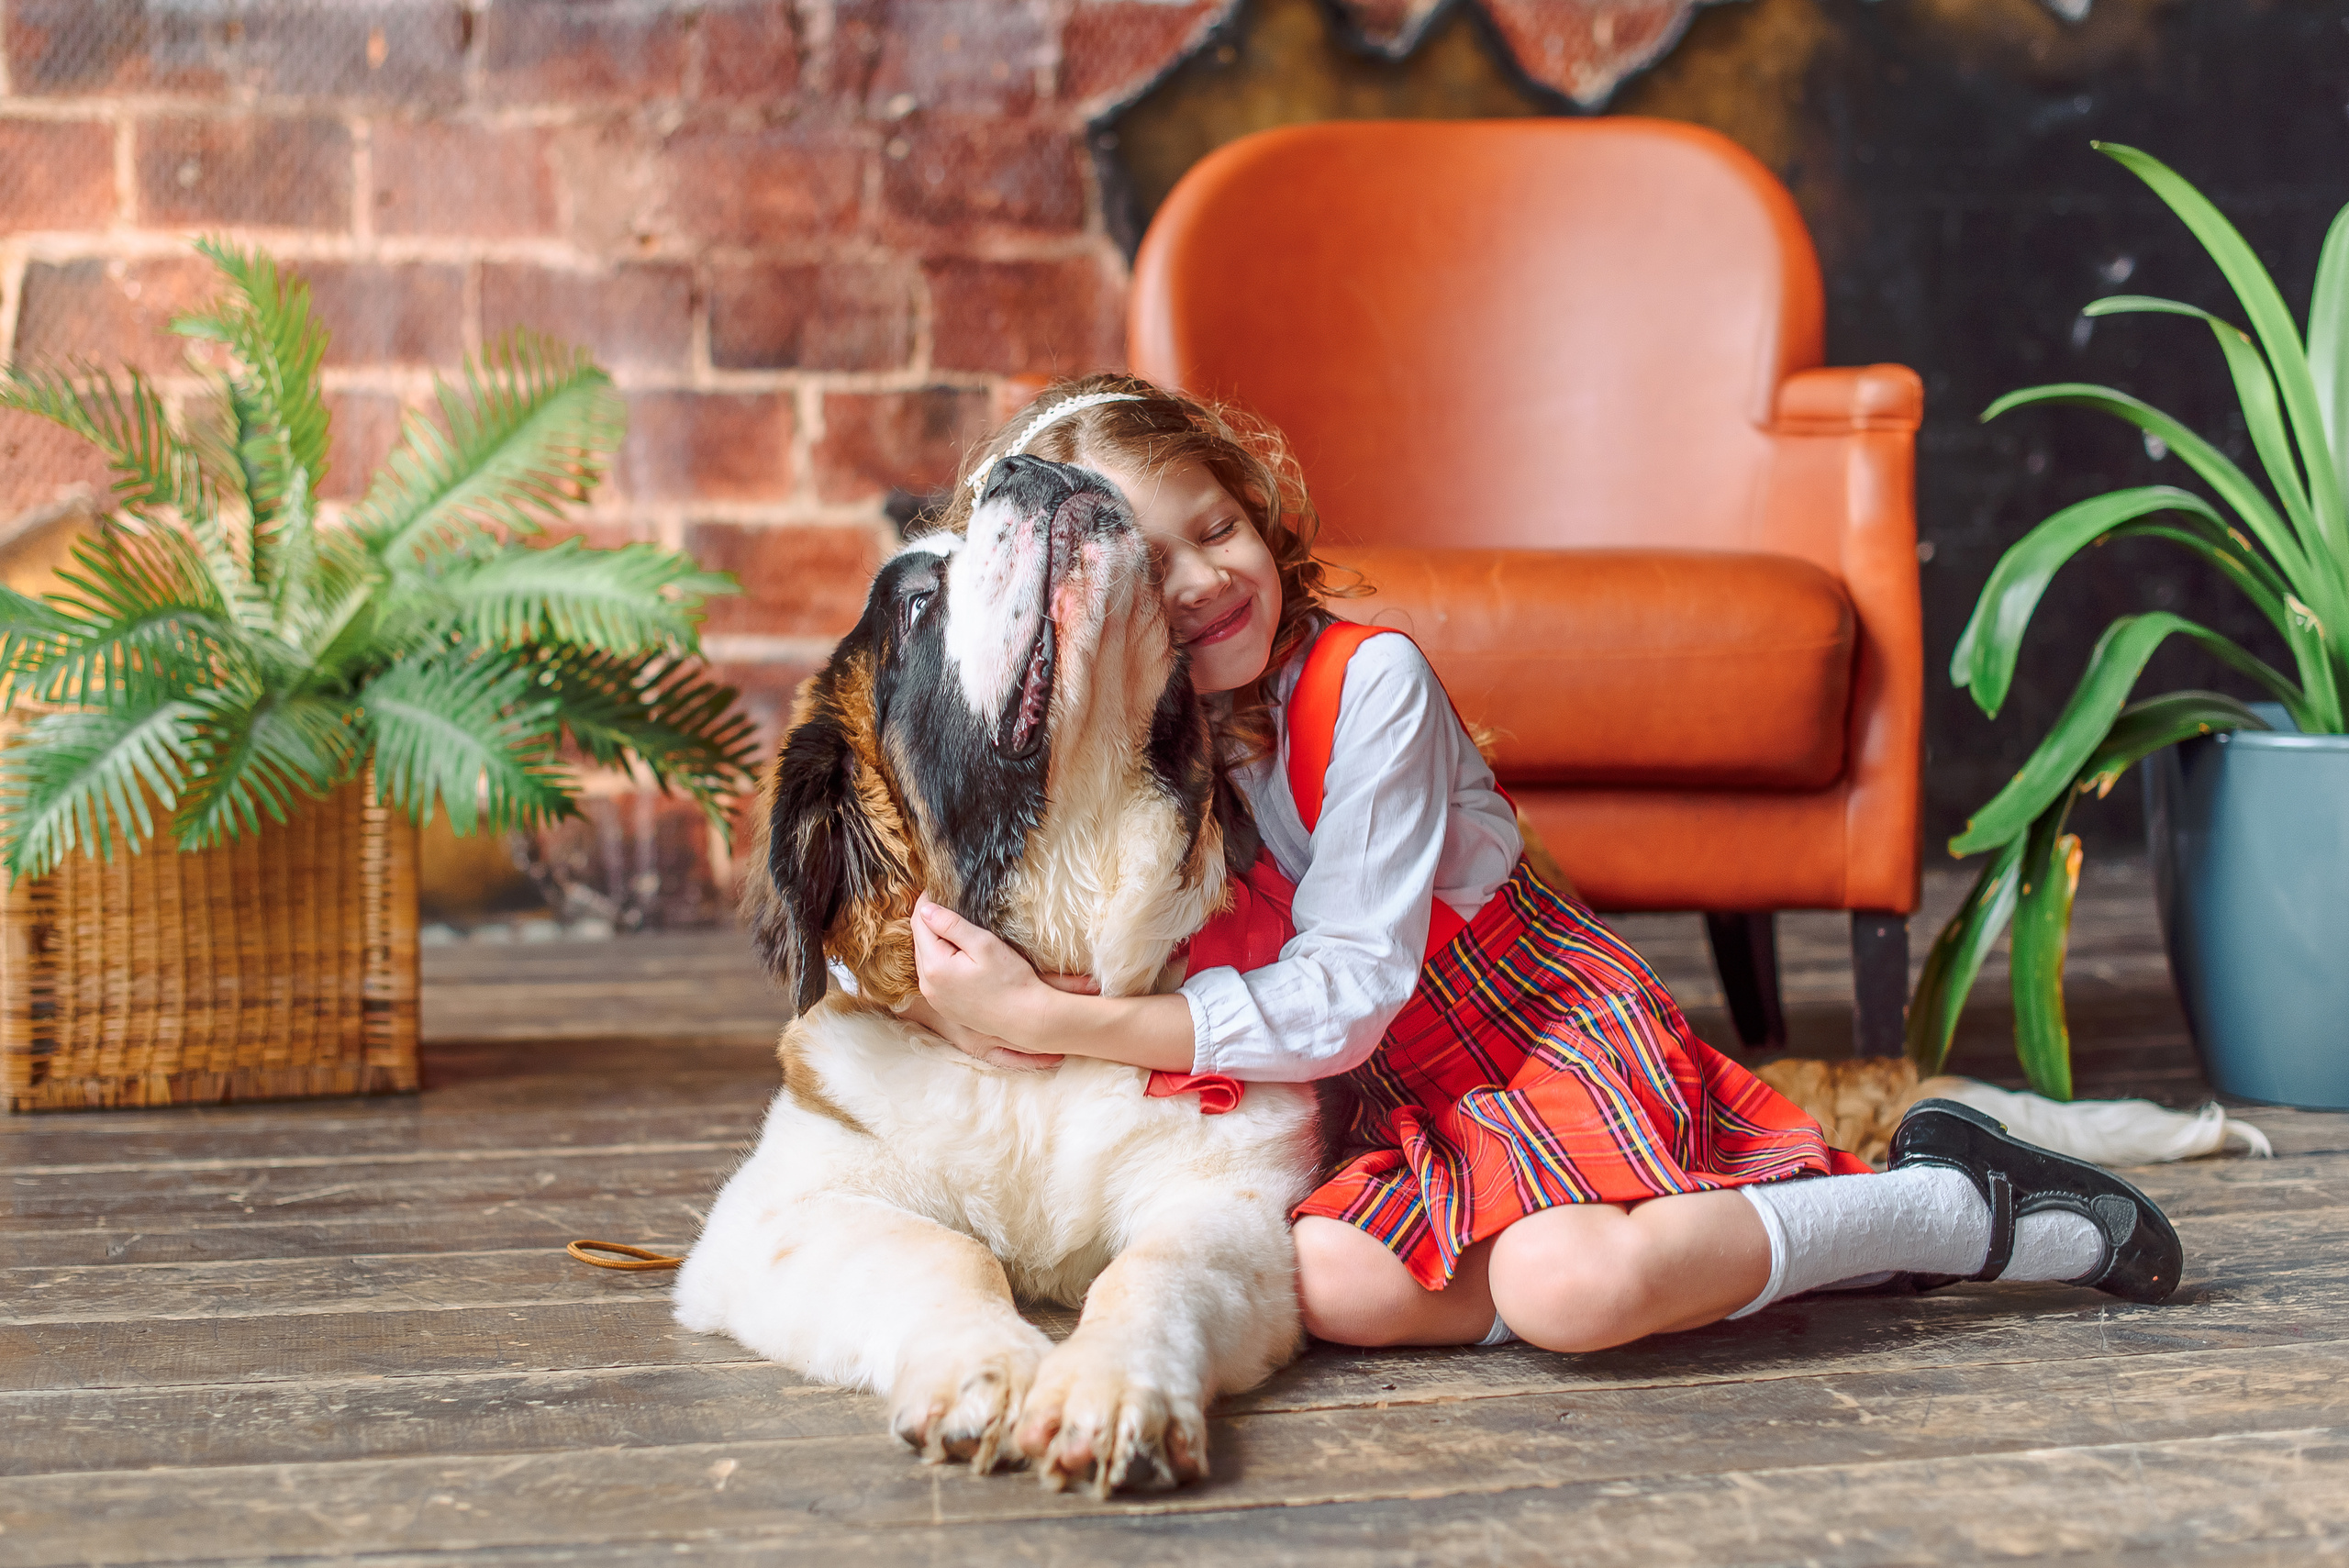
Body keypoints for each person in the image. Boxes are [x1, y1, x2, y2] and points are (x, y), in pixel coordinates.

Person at [903, 374, 2182, 1352]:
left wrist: (1054, 1021)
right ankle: (1673, 1251)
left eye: (1217, 525)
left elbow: (1346, 995)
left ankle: (1953, 1209)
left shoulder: (1372, 683)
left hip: (1537, 1030)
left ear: (1258, 506)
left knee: (1563, 1287)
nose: (1201, 580)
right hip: (1409, 1088)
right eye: (1152, 564)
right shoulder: (1161, 751)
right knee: (1331, 1283)